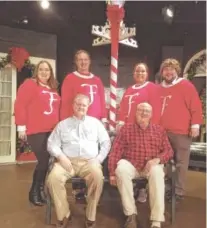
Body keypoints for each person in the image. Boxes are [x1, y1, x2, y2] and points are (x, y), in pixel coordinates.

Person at [46, 94, 111, 228]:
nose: (81, 107)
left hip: (89, 162)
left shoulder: (95, 123)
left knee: (97, 177)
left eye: (84, 105)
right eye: (78, 104)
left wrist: (98, 160)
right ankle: (64, 215)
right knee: (53, 178)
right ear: (73, 105)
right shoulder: (63, 125)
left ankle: (90, 215)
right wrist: (61, 157)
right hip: (67, 162)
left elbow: (106, 143)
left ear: (88, 107)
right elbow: (51, 144)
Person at [108, 102, 173, 228]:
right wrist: (112, 173)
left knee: (158, 172)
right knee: (121, 168)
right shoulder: (126, 129)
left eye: (147, 111)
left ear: (151, 115)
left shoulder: (159, 130)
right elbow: (115, 151)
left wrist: (157, 159)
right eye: (140, 110)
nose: (143, 113)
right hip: (132, 165)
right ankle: (131, 214)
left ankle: (156, 220)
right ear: (135, 113)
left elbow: (169, 151)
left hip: (151, 166)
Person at [60, 49, 108, 200]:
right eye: (80, 60)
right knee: (77, 152)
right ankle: (79, 189)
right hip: (76, 122)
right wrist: (64, 123)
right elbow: (66, 102)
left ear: (89, 61)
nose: (83, 62)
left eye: (85, 59)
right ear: (76, 62)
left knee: (94, 154)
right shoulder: (70, 79)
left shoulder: (97, 80)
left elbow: (101, 100)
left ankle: (95, 187)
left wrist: (104, 119)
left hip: (94, 124)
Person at [14, 60, 60, 206]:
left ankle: (39, 191)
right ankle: (34, 192)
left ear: (50, 72)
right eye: (41, 69)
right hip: (36, 129)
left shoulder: (52, 88)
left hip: (52, 130)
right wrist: (21, 126)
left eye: (47, 70)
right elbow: (20, 103)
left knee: (47, 162)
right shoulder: (30, 84)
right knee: (43, 160)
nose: (44, 72)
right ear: (37, 71)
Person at [117, 62, 162, 203]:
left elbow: (155, 109)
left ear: (147, 73)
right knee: (130, 157)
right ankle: (130, 186)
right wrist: (120, 122)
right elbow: (123, 108)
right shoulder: (129, 89)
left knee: (144, 157)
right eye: (137, 71)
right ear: (134, 73)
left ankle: (142, 188)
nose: (140, 73)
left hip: (144, 129)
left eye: (142, 71)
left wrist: (150, 127)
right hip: (130, 130)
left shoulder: (152, 88)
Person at [159, 58, 203, 202]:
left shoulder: (186, 85)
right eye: (166, 69)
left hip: (181, 132)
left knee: (180, 163)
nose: (169, 72)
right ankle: (167, 188)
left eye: (172, 69)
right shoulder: (159, 88)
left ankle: (178, 191)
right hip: (162, 132)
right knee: (164, 162)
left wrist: (195, 124)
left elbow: (195, 106)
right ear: (162, 72)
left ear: (177, 71)